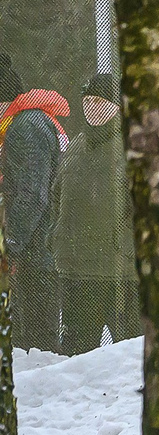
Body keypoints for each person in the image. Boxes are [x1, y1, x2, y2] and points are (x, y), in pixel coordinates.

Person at [58, 73, 139, 352]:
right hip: (79, 274)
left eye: (100, 101)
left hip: (123, 276)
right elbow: (58, 197)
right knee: (76, 363)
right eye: (87, 101)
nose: (92, 106)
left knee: (132, 358)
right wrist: (56, 237)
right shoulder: (76, 147)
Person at [0, 59, 71, 355]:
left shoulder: (25, 127)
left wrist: (11, 241)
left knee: (36, 346)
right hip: (32, 250)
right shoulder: (18, 123)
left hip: (37, 253)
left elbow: (33, 193)